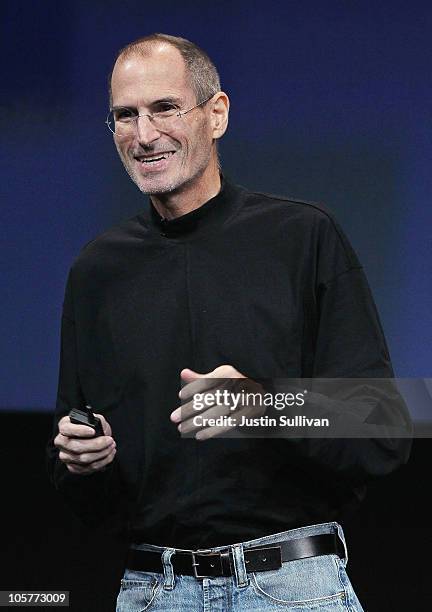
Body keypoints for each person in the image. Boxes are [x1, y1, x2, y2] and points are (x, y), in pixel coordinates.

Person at [47, 33, 410, 611]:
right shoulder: (97, 271)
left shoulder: (303, 237)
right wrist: (83, 462)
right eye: (125, 115)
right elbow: (85, 494)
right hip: (153, 589)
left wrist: (262, 406)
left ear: (216, 114)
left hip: (289, 584)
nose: (143, 135)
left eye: (165, 108)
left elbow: (386, 424)